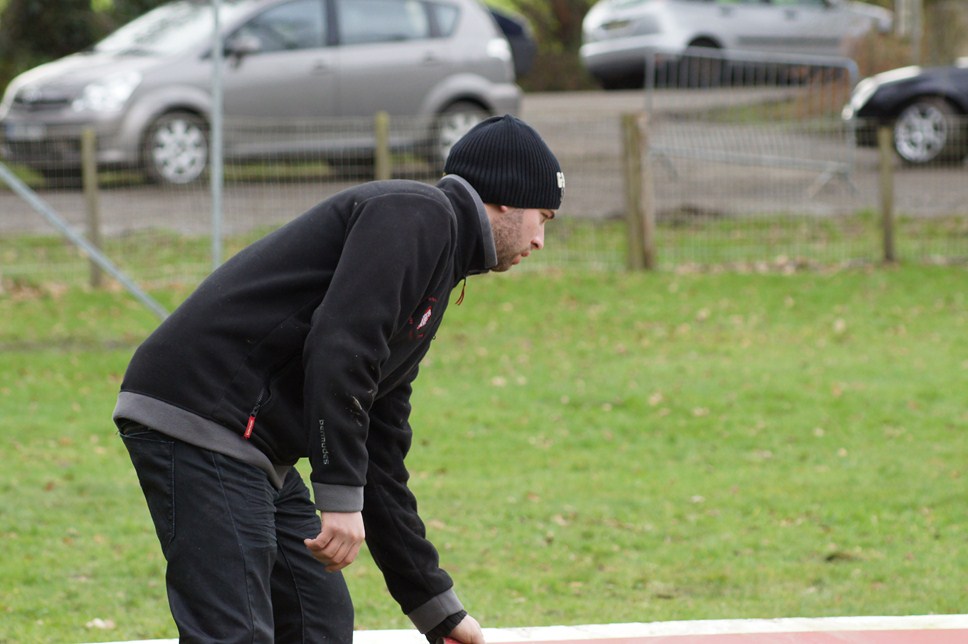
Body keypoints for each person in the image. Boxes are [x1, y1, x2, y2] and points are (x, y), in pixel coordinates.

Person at [113, 114, 565, 644]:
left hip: (255, 447)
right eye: (545, 216)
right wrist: (339, 496)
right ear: (507, 198)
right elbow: (340, 349)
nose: (540, 240)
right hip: (200, 414)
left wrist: (436, 609)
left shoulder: (436, 265)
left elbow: (380, 439)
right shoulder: (416, 215)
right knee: (236, 632)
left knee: (317, 620)